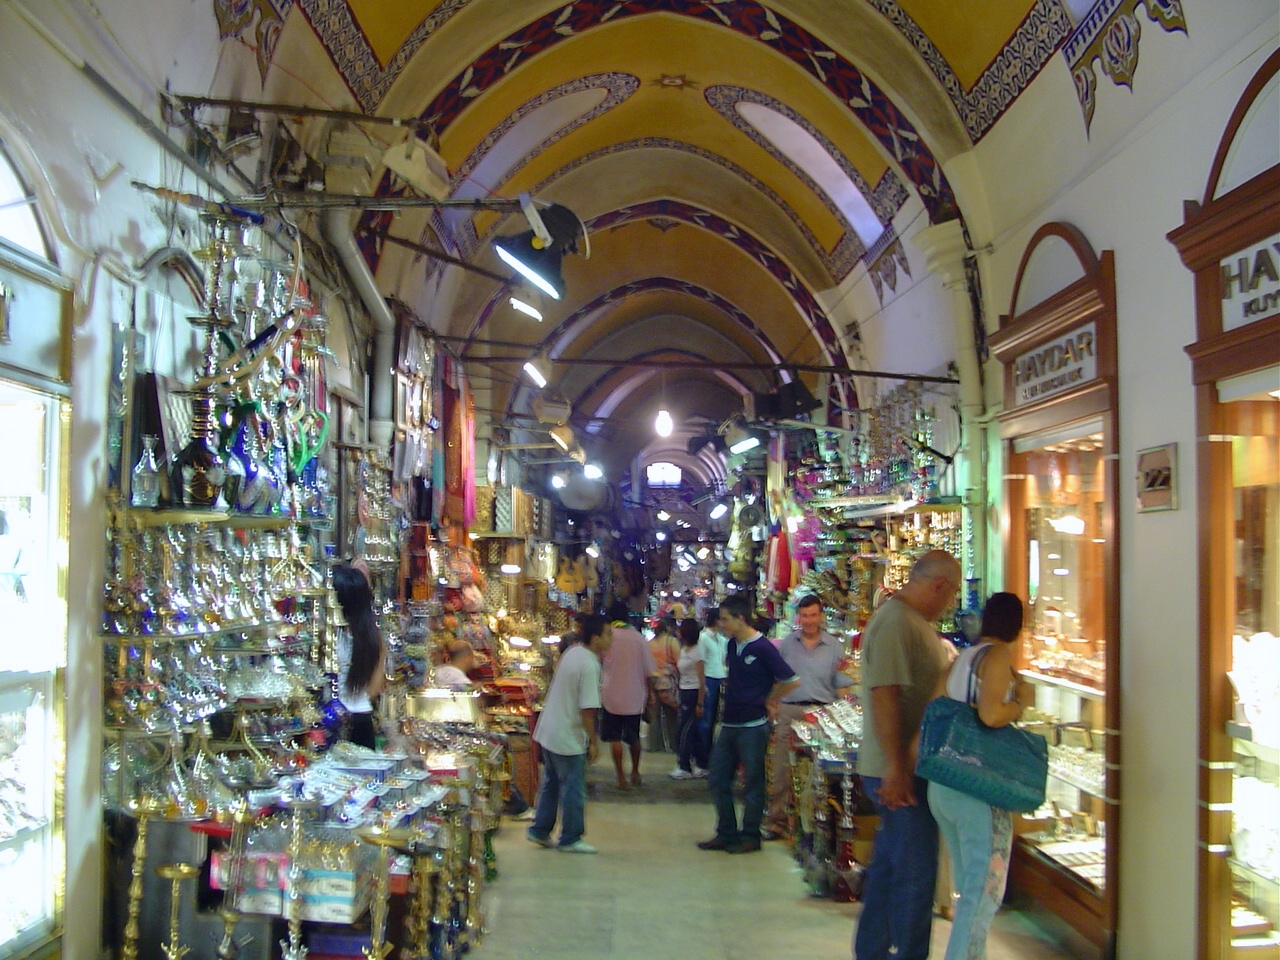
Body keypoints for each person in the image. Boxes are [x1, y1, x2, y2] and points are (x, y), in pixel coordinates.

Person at [853, 549, 961, 960]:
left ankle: (875, 950)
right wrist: (897, 767)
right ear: (938, 585)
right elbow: (885, 695)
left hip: (901, 767)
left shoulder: (909, 622)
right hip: (897, 770)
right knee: (915, 873)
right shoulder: (898, 622)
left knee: (891, 867)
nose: (948, 603)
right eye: (949, 594)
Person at [929, 592, 1033, 960]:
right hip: (977, 788)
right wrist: (1020, 702)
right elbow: (991, 716)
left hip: (945, 784)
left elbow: (936, 706)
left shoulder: (962, 658)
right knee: (983, 894)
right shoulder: (998, 656)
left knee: (968, 888)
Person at [697, 594, 799, 854]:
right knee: (718, 779)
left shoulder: (763, 648)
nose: (721, 624)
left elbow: (791, 680)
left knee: (753, 781)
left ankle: (750, 834)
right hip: (730, 723)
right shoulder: (732, 645)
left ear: (740, 619)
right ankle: (726, 831)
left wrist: (769, 700)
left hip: (753, 725)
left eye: (725, 619)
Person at [763, 594, 855, 839]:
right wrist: (772, 703)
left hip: (820, 713)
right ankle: (777, 821)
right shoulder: (786, 645)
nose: (809, 621)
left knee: (819, 771)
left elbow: (841, 683)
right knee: (782, 767)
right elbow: (776, 678)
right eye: (804, 616)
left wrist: (845, 713)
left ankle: (816, 825)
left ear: (821, 616)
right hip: (789, 710)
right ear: (798, 617)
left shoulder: (834, 646)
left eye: (813, 615)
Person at [528, 613, 612, 853]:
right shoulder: (589, 663)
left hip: (550, 729)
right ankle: (570, 837)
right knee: (573, 788)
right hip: (567, 734)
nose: (611, 639)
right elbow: (587, 709)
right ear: (595, 638)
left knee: (551, 784)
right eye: (608, 635)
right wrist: (593, 742)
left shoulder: (572, 652)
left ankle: (540, 829)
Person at [600, 600, 656, 789]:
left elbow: (598, 664)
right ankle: (635, 772)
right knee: (634, 737)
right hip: (634, 694)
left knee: (614, 737)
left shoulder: (607, 637)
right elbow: (649, 670)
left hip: (611, 694)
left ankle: (620, 777)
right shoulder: (638, 638)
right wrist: (650, 694)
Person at [332, 560, 386, 750]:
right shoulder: (373, 637)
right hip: (362, 719)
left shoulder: (328, 633)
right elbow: (375, 688)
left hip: (331, 721)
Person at [670, 617, 709, 779]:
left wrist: (700, 702)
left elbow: (701, 679)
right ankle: (701, 764)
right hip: (684, 691)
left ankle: (684, 765)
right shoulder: (684, 650)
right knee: (692, 732)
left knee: (684, 731)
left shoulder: (698, 652)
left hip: (694, 692)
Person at [647, 616, 681, 753]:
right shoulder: (671, 642)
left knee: (654, 715)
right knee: (671, 715)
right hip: (667, 682)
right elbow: (679, 662)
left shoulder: (649, 644)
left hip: (652, 680)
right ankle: (674, 744)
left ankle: (655, 745)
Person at [699, 607, 727, 760]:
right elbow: (700, 664)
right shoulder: (703, 638)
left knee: (713, 720)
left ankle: (709, 754)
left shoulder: (720, 639)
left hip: (719, 680)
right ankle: (703, 756)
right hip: (708, 680)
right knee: (706, 720)